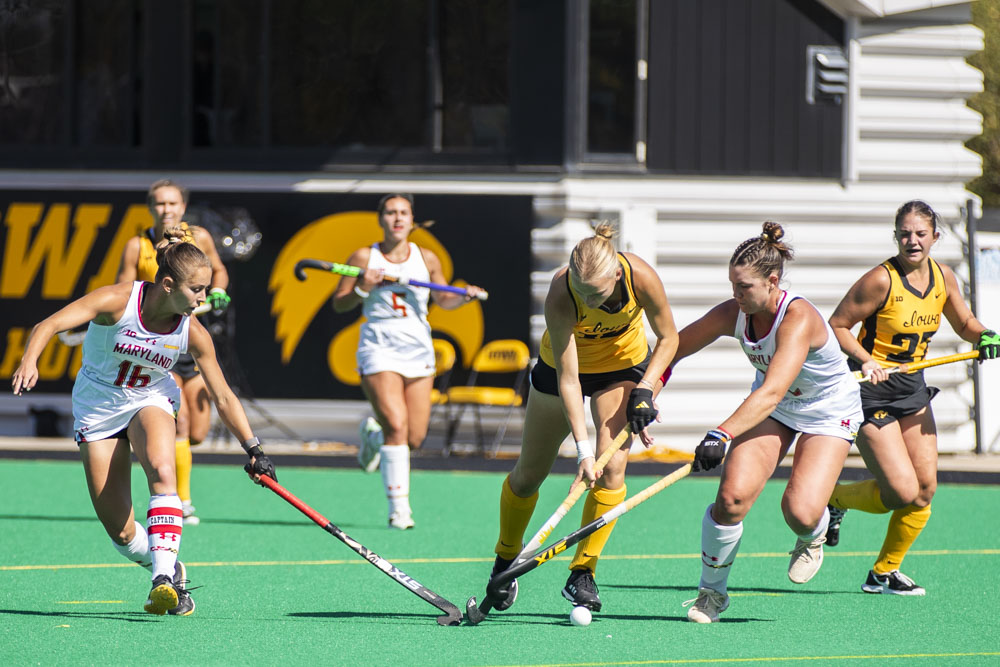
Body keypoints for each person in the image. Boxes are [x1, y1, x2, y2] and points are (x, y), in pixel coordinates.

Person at [12, 233, 276, 616]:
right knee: (120, 532)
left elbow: (223, 397)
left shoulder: (192, 332)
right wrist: (29, 361)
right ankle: (168, 567)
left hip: (149, 399)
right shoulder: (118, 301)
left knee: (161, 468)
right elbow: (48, 324)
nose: (203, 299)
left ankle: (163, 579)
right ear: (168, 285)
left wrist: (254, 448)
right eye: (197, 290)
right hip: (98, 407)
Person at [661, 222, 863, 624]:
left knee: (800, 511)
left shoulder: (797, 318)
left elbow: (771, 390)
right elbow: (674, 346)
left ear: (773, 282)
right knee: (731, 499)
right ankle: (711, 595)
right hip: (776, 407)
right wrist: (647, 388)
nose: (736, 296)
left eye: (744, 288)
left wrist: (721, 433)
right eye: (733, 286)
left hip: (826, 409)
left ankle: (817, 529)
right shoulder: (735, 312)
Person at [482, 222, 678, 615]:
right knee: (528, 476)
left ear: (617, 275)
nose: (587, 302)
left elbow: (669, 337)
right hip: (560, 373)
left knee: (612, 469)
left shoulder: (641, 278)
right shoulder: (561, 292)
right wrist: (582, 451)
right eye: (581, 292)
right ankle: (506, 559)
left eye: (596, 293)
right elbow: (569, 380)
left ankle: (582, 572)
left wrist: (646, 390)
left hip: (620, 369)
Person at [824, 200, 1000, 595]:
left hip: (912, 389)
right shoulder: (880, 281)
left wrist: (985, 334)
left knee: (923, 490)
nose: (912, 241)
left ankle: (884, 573)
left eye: (921, 233)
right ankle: (832, 499)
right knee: (899, 492)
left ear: (935, 237)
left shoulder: (943, 278)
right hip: (870, 392)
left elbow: (965, 323)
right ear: (896, 236)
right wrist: (867, 360)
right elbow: (837, 325)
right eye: (905, 233)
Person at [331, 193, 485, 530]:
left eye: (403, 213)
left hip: (417, 348)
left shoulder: (426, 258)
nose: (397, 218)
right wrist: (362, 287)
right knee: (397, 428)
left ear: (412, 220)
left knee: (413, 438)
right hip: (379, 345)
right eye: (390, 212)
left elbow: (443, 297)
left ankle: (373, 436)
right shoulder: (363, 256)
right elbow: (339, 303)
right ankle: (399, 509)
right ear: (381, 219)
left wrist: (463, 296)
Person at [118, 179, 231, 525]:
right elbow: (123, 289)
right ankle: (181, 499)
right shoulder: (138, 246)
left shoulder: (201, 238)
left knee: (197, 432)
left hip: (190, 338)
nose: (166, 210)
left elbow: (219, 271)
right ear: (151, 208)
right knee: (178, 424)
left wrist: (218, 292)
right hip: (156, 344)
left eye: (172, 204)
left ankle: (174, 479)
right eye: (160, 204)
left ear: (183, 207)